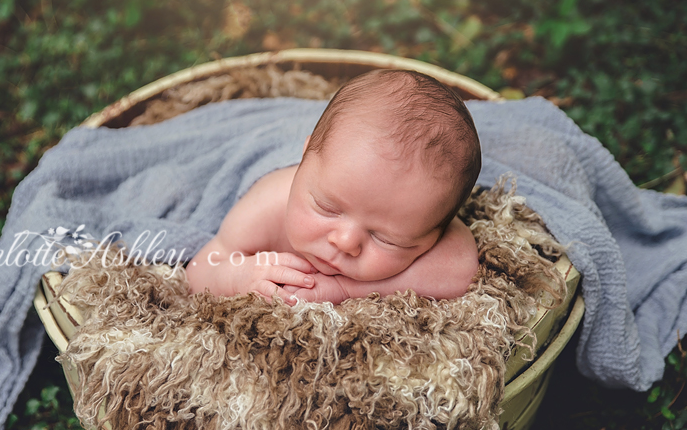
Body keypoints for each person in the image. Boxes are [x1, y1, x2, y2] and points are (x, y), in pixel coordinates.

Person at [185, 69, 482, 305]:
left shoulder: (412, 205)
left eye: (386, 239)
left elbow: (461, 270)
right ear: (303, 159)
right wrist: (236, 277)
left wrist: (342, 288)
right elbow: (198, 271)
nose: (345, 242)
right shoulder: (265, 210)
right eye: (327, 208)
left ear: (432, 234)